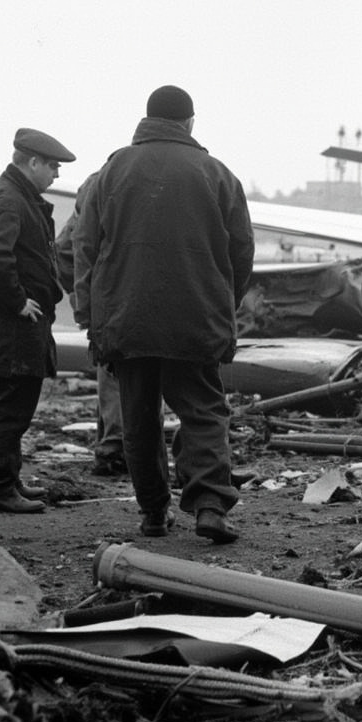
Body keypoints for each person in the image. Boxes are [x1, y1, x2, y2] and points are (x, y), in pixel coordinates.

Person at [72, 85, 255, 543]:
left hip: (126, 321)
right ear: (190, 123)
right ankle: (210, 505)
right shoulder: (216, 173)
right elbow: (242, 250)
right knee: (205, 413)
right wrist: (222, 306)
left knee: (138, 419)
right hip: (195, 318)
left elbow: (85, 245)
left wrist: (89, 310)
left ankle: (154, 513)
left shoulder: (110, 172)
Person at [0, 128, 77, 514]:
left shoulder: (13, 197)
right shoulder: (9, 200)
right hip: (11, 328)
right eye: (53, 167)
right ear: (32, 162)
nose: (56, 175)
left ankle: (8, 481)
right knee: (11, 409)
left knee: (16, 407)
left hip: (11, 327)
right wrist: (16, 302)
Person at [56, 171, 126, 476]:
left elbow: (65, 249)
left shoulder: (97, 186)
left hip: (107, 307)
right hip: (132, 304)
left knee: (111, 376)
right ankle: (116, 448)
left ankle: (112, 447)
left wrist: (82, 299)